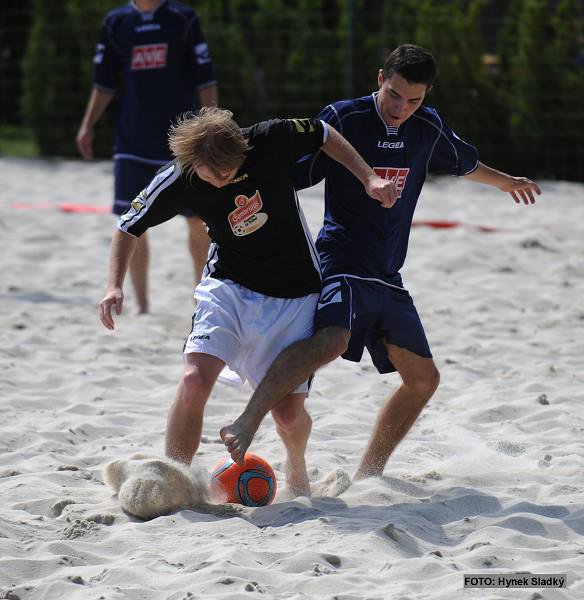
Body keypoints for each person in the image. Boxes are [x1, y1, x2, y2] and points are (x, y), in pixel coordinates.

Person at [220, 44, 542, 483]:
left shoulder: (427, 126)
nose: (401, 108)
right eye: (394, 95)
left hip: (388, 273)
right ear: (379, 79)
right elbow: (291, 174)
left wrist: (506, 182)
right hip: (341, 256)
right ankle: (248, 420)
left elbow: (464, 164)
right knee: (332, 341)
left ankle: (369, 476)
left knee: (423, 380)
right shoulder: (344, 118)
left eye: (414, 99)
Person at [99, 107, 397, 496]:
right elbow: (127, 226)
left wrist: (369, 176)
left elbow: (324, 132)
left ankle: (296, 466)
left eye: (230, 170)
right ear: (193, 164)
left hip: (295, 293)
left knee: (288, 415)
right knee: (192, 381)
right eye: (214, 174)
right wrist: (113, 286)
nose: (223, 179)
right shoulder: (177, 178)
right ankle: (176, 480)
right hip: (228, 288)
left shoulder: (268, 138)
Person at [77, 0, 218, 314]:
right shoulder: (116, 21)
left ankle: (202, 299)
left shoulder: (182, 18)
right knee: (132, 220)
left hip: (183, 135)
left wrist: (210, 125)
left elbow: (205, 78)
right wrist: (88, 124)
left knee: (197, 219)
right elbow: (104, 82)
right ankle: (141, 305)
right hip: (133, 137)